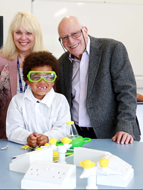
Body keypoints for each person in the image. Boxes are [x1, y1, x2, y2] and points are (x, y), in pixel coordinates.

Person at [57, 16, 140, 144]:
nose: (71, 41)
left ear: (85, 30)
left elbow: (127, 92)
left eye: (75, 34)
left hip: (114, 134)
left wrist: (125, 127)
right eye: (64, 38)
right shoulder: (62, 62)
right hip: (77, 136)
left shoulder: (112, 49)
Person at [0, 12, 45, 139]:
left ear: (36, 35)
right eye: (18, 32)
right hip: (7, 130)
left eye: (29, 33)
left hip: (39, 131)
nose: (23, 38)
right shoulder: (0, 58)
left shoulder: (45, 60)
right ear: (12, 34)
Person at [6, 51, 71, 147]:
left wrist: (47, 137)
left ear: (53, 81)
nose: (42, 81)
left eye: (48, 77)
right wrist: (27, 137)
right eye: (36, 77)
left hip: (54, 151)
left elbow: (64, 129)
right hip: (24, 151)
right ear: (27, 80)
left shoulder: (60, 100)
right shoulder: (17, 101)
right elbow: (13, 129)